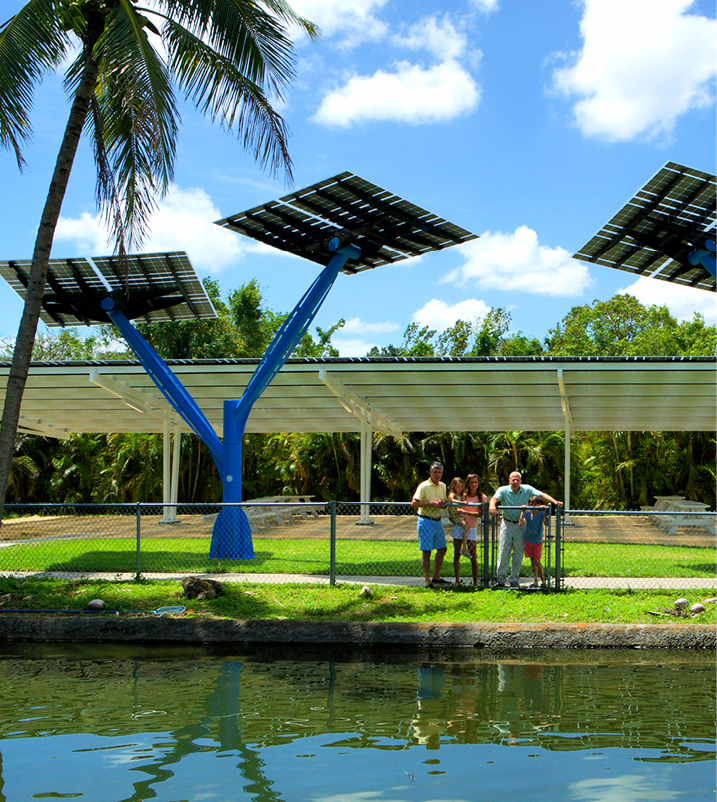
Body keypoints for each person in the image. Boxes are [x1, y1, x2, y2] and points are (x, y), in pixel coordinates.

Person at [489, 471, 562, 589]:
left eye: (517, 479)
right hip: (507, 523)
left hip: (521, 525)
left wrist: (554, 502)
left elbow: (541, 495)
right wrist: (492, 505)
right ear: (509, 481)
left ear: (521, 481)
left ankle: (514, 580)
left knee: (518, 553)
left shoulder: (527, 489)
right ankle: (500, 580)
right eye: (513, 479)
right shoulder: (503, 490)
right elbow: (494, 498)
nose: (515, 481)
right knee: (503, 551)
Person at [411, 462, 451, 588]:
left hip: (437, 521)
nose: (437, 475)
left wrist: (441, 502)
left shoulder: (443, 486)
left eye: (439, 472)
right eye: (435, 472)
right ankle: (427, 581)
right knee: (426, 551)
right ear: (430, 473)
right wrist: (430, 503)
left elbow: (444, 501)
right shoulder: (423, 486)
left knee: (442, 548)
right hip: (425, 520)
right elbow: (414, 503)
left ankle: (436, 577)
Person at [453, 474, 486, 589]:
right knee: (457, 554)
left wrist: (465, 512)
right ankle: (457, 581)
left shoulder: (482, 497)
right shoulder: (463, 496)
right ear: (467, 483)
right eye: (471, 482)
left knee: (473, 556)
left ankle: (475, 582)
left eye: (476, 482)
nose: (474, 484)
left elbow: (480, 514)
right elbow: (454, 502)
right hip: (460, 526)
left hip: (471, 528)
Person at [519, 496, 546, 588]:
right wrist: (522, 512)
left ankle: (543, 579)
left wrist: (545, 511)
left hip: (537, 540)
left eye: (535, 504)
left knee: (537, 561)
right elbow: (521, 523)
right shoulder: (527, 514)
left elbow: (546, 523)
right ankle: (535, 581)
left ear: (538, 505)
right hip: (528, 539)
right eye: (531, 504)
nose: (533, 506)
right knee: (532, 561)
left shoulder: (541, 514)